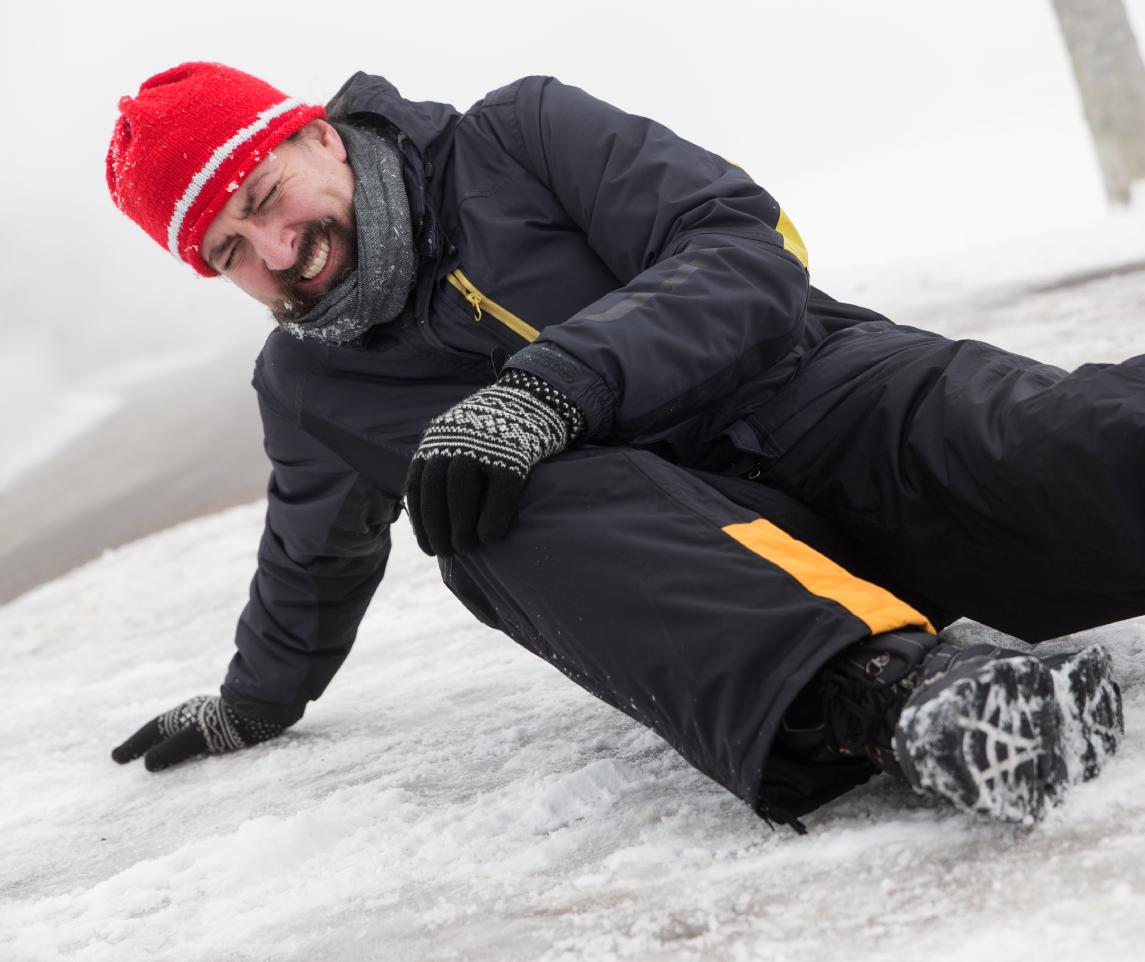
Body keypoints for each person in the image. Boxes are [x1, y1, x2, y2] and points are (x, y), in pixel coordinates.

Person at [105, 62, 1131, 833]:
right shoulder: (309, 384)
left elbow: (743, 246)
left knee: (1082, 450)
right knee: (473, 513)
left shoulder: (518, 135)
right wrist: (252, 697)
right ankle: (901, 702)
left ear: (320, 139)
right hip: (722, 591)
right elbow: (312, 552)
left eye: (260, 198)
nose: (277, 251)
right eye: (228, 252)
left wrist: (551, 386)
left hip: (847, 409)